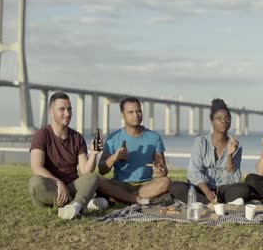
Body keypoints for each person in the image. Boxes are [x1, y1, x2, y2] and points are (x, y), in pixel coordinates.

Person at [28, 92, 108, 220]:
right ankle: (80, 204)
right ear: (51, 111)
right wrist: (58, 182)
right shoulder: (41, 135)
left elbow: (85, 170)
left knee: (93, 177)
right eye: (62, 109)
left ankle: (74, 207)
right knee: (34, 182)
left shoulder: (77, 138)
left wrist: (93, 154)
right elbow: (36, 167)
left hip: (71, 187)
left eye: (69, 109)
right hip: (51, 187)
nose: (68, 113)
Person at [168, 99, 250, 204]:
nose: (223, 121)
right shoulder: (200, 142)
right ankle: (212, 203)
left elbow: (233, 179)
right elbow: (193, 172)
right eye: (218, 118)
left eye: (227, 118)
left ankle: (206, 203)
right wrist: (207, 192)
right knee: (176, 187)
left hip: (223, 190)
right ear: (212, 121)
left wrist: (229, 154)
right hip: (202, 189)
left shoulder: (236, 146)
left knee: (244, 189)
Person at [98, 97, 171, 205]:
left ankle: (121, 198)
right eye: (131, 112)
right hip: (120, 184)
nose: (136, 115)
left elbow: (163, 170)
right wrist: (114, 158)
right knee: (97, 180)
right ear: (122, 115)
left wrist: (160, 171)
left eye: (138, 111)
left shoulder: (154, 137)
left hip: (145, 185)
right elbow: (102, 170)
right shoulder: (113, 138)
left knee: (166, 181)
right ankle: (135, 199)